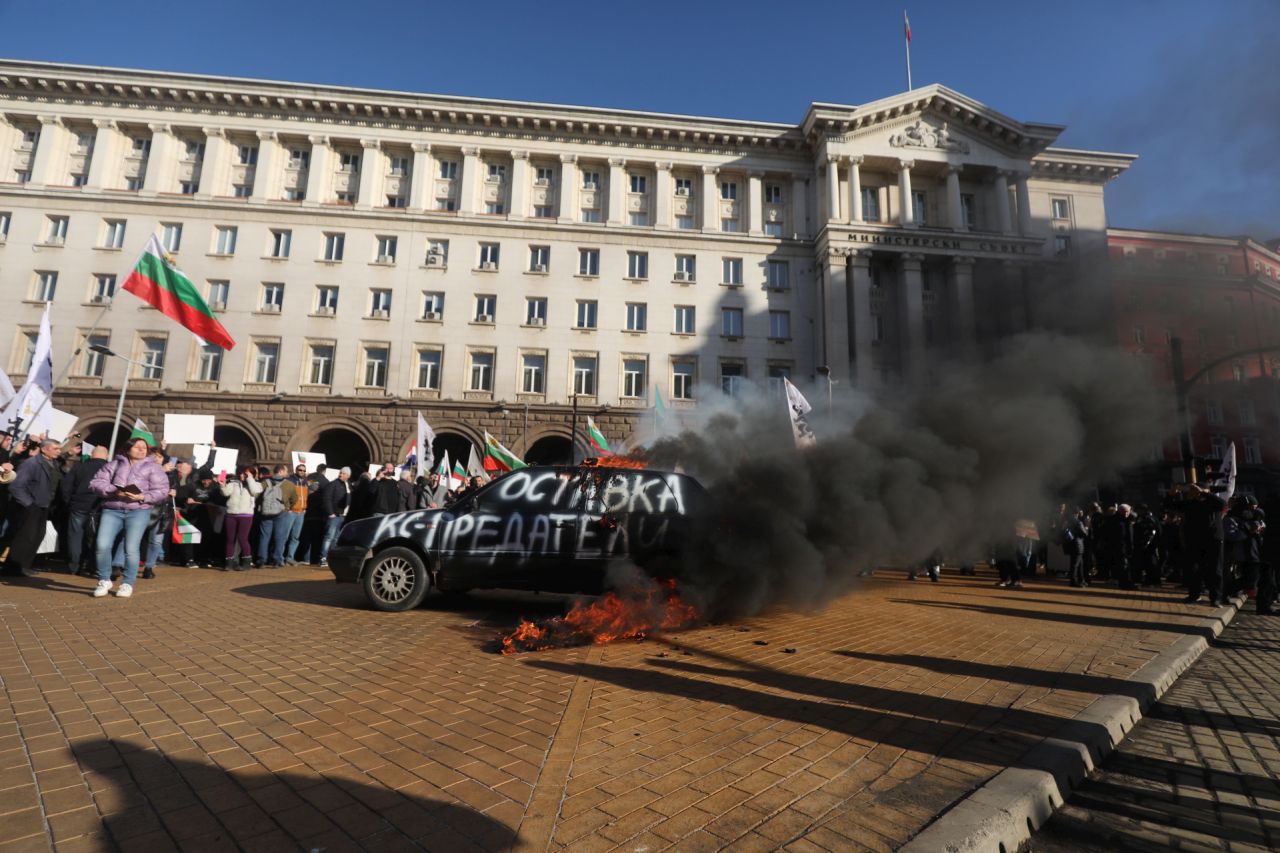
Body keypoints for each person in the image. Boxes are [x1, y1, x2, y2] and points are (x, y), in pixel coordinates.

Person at [88, 437, 170, 598]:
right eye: (137, 447)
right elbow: (95, 483)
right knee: (102, 545)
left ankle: (128, 583)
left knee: (131, 549)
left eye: (144, 447)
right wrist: (113, 490)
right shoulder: (114, 464)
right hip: (112, 510)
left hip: (139, 511)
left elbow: (162, 490)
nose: (142, 449)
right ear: (127, 449)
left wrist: (142, 496)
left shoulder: (153, 467)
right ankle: (104, 580)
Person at [1, 439, 63, 578]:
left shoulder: (54, 463)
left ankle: (24, 566)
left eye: (59, 448)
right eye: (55, 448)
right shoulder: (31, 463)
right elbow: (16, 486)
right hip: (30, 506)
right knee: (25, 537)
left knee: (37, 536)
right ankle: (13, 567)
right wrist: (29, 504)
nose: (59, 451)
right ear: (44, 449)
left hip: (44, 505)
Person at [1172, 483, 1228, 606]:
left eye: (1198, 490)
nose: (1195, 493)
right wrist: (1172, 494)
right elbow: (1172, 506)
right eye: (1193, 491)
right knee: (1194, 569)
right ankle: (1194, 595)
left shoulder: (1213, 502)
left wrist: (1203, 493)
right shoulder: (1191, 503)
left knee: (1215, 570)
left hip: (1214, 540)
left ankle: (1216, 598)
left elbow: (1223, 504)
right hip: (1195, 540)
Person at [58, 445, 108, 577]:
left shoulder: (79, 466)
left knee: (75, 537)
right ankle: (93, 566)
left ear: (92, 455)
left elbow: (66, 486)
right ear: (106, 456)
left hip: (78, 506)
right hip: (100, 507)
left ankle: (74, 566)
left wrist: (69, 501)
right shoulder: (110, 468)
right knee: (98, 538)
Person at [218, 466, 262, 571]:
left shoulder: (257, 484)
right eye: (241, 473)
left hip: (246, 515)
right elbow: (225, 493)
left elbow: (255, 492)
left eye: (245, 474)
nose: (242, 475)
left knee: (242, 538)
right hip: (231, 514)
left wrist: (250, 478)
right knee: (230, 539)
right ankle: (229, 563)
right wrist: (222, 485)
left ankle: (247, 562)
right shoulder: (233, 483)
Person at [316, 467, 352, 567]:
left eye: (344, 473)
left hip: (343, 516)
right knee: (329, 537)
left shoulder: (348, 485)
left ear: (348, 476)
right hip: (334, 516)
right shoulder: (333, 484)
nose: (341, 474)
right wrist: (330, 513)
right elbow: (326, 498)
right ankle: (323, 558)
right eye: (340, 473)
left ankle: (331, 558)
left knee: (336, 538)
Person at [256, 465, 290, 567]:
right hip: (281, 513)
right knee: (279, 537)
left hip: (266, 513)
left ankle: (261, 560)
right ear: (281, 471)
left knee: (264, 537)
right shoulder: (288, 484)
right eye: (286, 471)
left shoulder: (264, 483)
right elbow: (294, 498)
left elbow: (257, 495)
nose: (287, 473)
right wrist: (287, 507)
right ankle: (277, 560)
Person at [279, 463, 309, 565]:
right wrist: (288, 508)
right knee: (285, 536)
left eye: (304, 470)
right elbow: (284, 495)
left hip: (301, 513)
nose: (302, 472)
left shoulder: (305, 482)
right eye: (300, 470)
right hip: (291, 512)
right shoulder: (290, 480)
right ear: (296, 470)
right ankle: (280, 557)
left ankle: (290, 558)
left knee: (295, 537)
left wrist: (304, 508)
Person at [1133, 504, 1161, 587]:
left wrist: (1145, 544)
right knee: (1148, 563)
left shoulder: (1148, 518)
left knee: (1150, 563)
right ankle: (1151, 580)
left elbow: (1151, 533)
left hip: (1149, 546)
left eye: (1138, 510)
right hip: (1146, 545)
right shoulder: (1143, 517)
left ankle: (1153, 580)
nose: (1137, 512)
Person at [1064, 508, 1089, 587]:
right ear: (1077, 513)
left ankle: (1081, 580)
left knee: (1077, 564)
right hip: (1078, 545)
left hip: (1071, 544)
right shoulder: (1078, 522)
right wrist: (1086, 529)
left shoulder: (1067, 522)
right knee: (1076, 564)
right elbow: (1085, 534)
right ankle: (1074, 581)